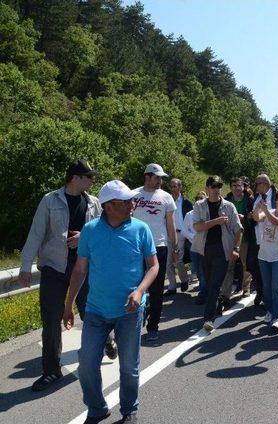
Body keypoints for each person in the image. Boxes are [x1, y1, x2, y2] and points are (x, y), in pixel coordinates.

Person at [64, 180, 159, 424]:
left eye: (131, 200)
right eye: (126, 201)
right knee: (86, 364)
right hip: (96, 309)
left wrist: (139, 291)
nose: (132, 204)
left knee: (129, 367)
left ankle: (129, 410)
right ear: (108, 206)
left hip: (130, 310)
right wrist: (68, 306)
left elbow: (153, 266)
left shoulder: (140, 229)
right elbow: (79, 270)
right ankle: (96, 408)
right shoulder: (90, 231)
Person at [19, 160, 105, 392]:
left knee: (91, 313)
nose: (92, 181)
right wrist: (25, 265)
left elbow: (101, 231)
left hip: (84, 266)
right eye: (89, 177)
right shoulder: (50, 200)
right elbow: (36, 233)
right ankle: (51, 371)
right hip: (54, 268)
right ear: (75, 177)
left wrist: (83, 238)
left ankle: (105, 341)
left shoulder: (94, 203)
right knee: (50, 319)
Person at [131, 164, 177, 342]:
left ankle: (153, 327)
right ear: (147, 176)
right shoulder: (134, 195)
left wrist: (175, 248)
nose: (160, 181)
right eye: (157, 177)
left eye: (161, 178)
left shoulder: (166, 197)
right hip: (136, 246)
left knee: (157, 289)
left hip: (159, 247)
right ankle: (133, 323)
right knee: (135, 285)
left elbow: (170, 225)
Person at [191, 176, 243, 332]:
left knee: (213, 285)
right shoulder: (199, 205)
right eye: (213, 186)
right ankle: (218, 301)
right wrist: (217, 221)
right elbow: (198, 227)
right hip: (205, 249)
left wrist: (236, 248)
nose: (216, 189)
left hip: (223, 250)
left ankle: (208, 319)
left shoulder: (229, 206)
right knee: (209, 283)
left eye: (219, 186)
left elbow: (239, 229)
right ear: (207, 188)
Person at [253, 190, 278, 332]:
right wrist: (258, 207)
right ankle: (270, 311)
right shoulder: (269, 211)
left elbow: (276, 222)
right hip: (264, 255)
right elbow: (257, 218)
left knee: (276, 286)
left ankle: (277, 318)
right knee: (266, 287)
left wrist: (265, 211)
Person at [221, 177, 254, 300]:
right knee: (229, 266)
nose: (236, 188)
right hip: (229, 238)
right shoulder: (226, 200)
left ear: (243, 187)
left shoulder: (250, 201)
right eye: (234, 185)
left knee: (246, 264)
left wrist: (244, 218)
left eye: (239, 185)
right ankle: (225, 294)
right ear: (230, 187)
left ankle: (246, 288)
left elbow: (253, 217)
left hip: (245, 237)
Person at [247, 174, 277, 306]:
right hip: (257, 238)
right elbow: (250, 218)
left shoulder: (277, 197)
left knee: (270, 269)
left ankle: (268, 296)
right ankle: (261, 290)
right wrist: (249, 217)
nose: (255, 186)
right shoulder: (255, 199)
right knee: (252, 265)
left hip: (274, 239)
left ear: (264, 184)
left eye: (257, 184)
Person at [166, 178, 193, 295]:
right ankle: (172, 286)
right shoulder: (166, 201)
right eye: (171, 187)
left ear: (180, 187)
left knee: (178, 260)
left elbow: (192, 218)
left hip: (181, 234)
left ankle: (184, 279)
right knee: (167, 261)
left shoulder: (186, 202)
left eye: (175, 186)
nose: (172, 189)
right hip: (167, 233)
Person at [186, 191, 208, 304]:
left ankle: (203, 292)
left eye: (202, 198)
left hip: (205, 244)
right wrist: (193, 237)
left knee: (202, 269)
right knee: (196, 268)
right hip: (193, 244)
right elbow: (185, 230)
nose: (200, 200)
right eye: (198, 198)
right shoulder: (189, 214)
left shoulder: (207, 212)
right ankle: (202, 286)